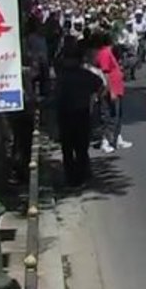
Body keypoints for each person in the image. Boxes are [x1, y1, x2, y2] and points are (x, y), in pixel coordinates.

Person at [55, 39, 104, 188]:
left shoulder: (63, 76)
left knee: (70, 149)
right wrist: (95, 98)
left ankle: (73, 178)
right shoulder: (84, 75)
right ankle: (80, 176)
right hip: (79, 114)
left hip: (69, 115)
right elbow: (100, 86)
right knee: (79, 148)